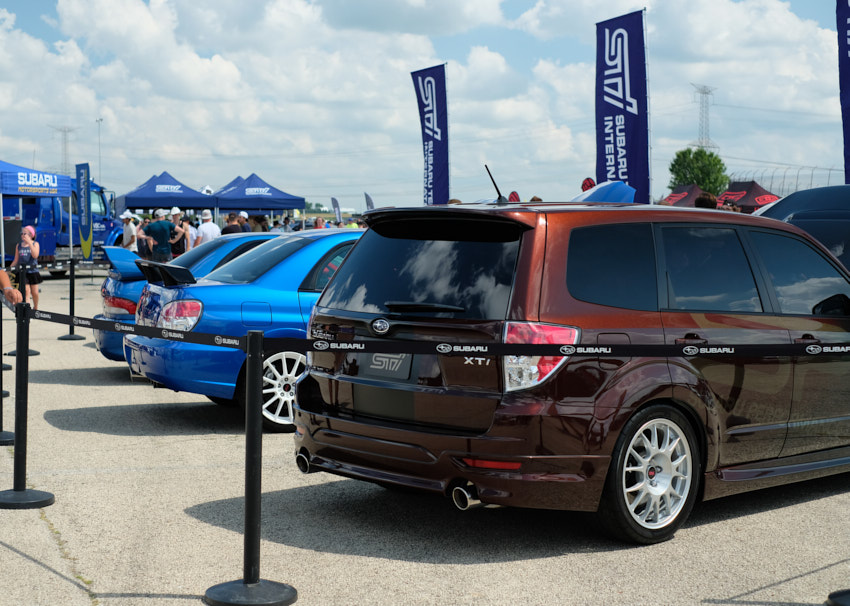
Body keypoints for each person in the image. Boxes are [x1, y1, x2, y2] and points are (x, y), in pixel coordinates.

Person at [11, 225, 43, 309]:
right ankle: (27, 311)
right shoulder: (19, 246)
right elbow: (16, 260)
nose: (23, 235)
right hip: (23, 272)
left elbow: (35, 255)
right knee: (26, 291)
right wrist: (8, 270)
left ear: (31, 235)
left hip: (33, 271)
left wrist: (29, 243)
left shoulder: (35, 244)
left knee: (35, 292)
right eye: (22, 233)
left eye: (25, 233)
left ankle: (35, 307)